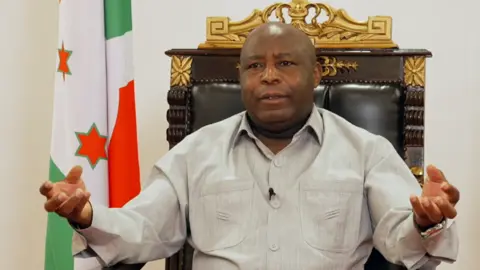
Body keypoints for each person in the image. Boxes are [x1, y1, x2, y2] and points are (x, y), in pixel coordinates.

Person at [39, 22, 460, 270]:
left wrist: (427, 223)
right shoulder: (194, 152)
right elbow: (144, 230)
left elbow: (401, 241)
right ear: (241, 78)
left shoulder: (366, 152)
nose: (269, 76)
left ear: (316, 77)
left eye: (286, 63)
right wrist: (87, 215)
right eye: (255, 65)